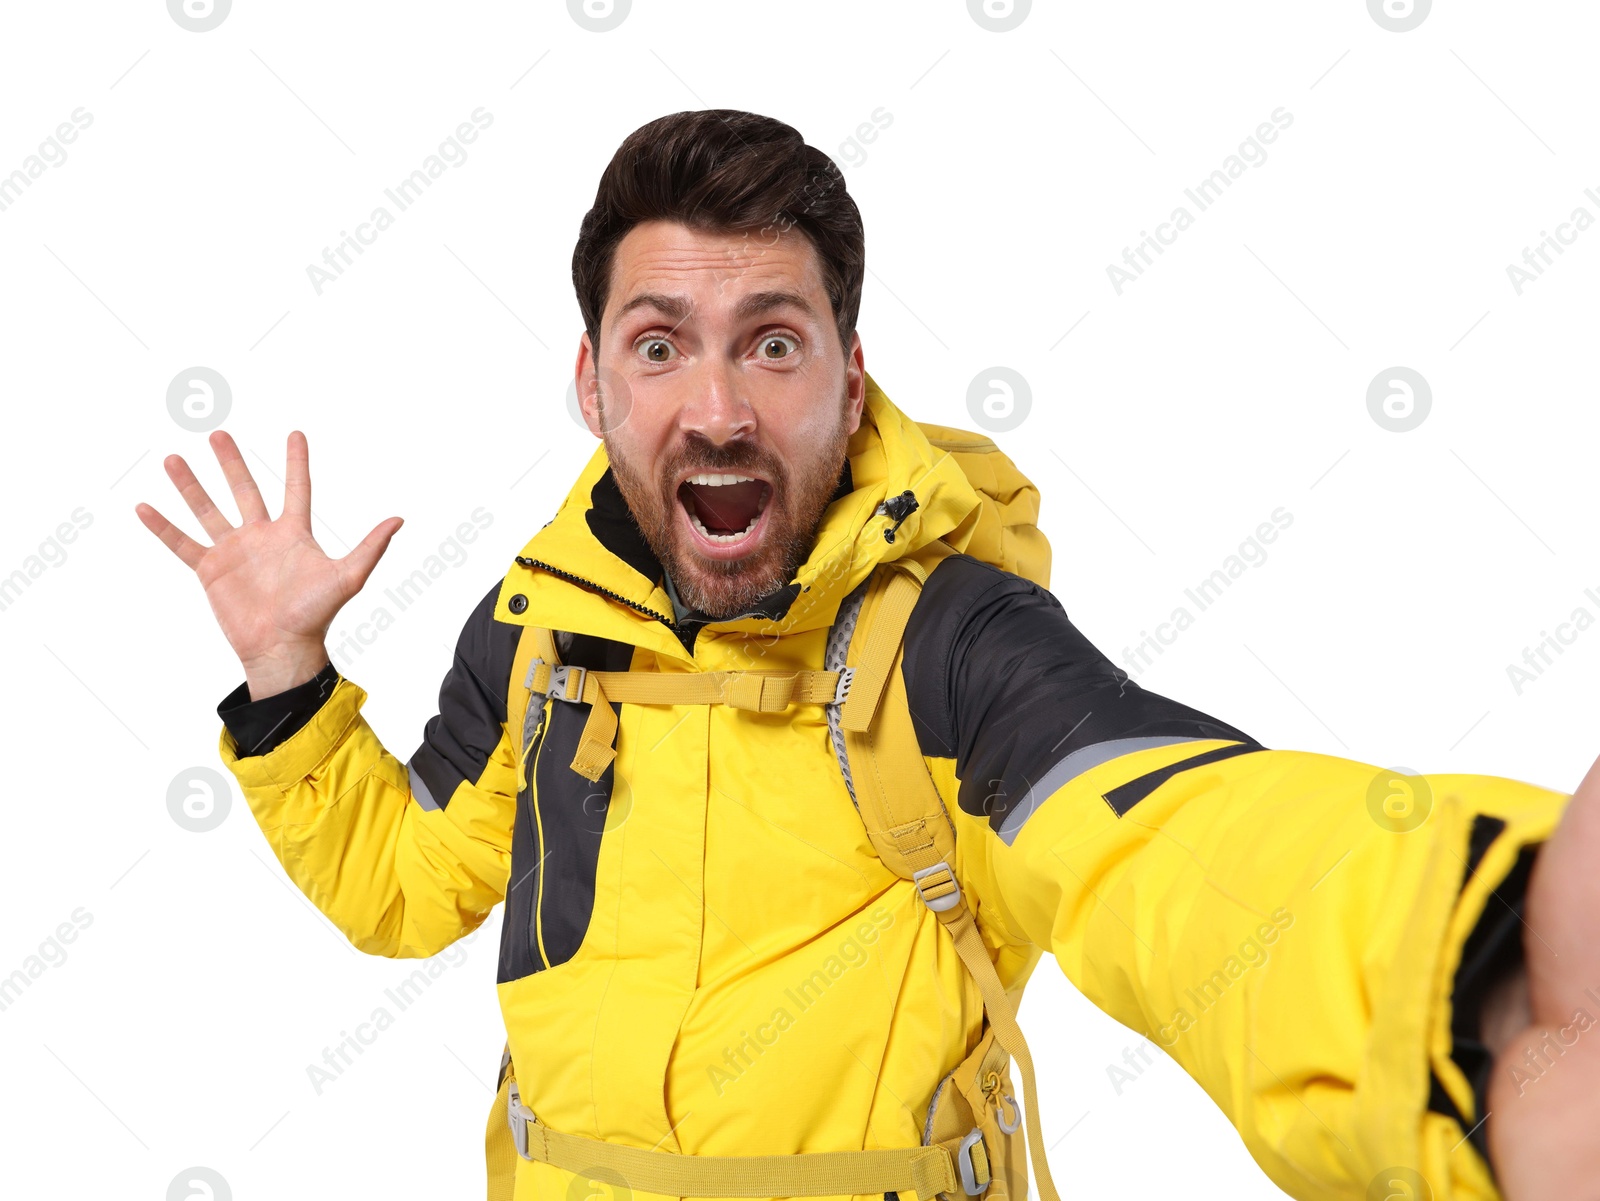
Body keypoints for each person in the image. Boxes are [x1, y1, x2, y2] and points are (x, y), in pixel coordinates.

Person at [136, 109, 1599, 1200]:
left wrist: (1477, 990)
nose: (716, 405)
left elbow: (1165, 842)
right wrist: (289, 684)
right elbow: (403, 887)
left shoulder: (949, 642)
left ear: (850, 381)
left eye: (773, 343)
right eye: (659, 345)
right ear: (591, 383)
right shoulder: (541, 630)